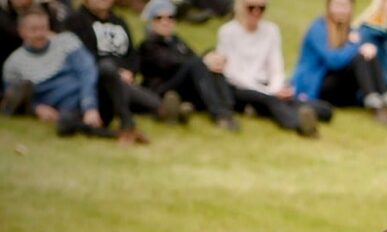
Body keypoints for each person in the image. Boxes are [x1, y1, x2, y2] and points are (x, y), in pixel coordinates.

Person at [216, 0, 330, 137]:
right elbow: (233, 74)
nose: (256, 12)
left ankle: (257, 109)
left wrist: (276, 88)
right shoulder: (227, 32)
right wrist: (269, 92)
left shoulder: (271, 31)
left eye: (261, 8)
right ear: (240, 7)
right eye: (251, 8)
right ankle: (299, 125)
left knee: (322, 109)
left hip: (267, 85)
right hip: (240, 87)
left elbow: (276, 67)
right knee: (272, 101)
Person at [1, 6, 115, 137]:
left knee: (109, 71)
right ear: (21, 31)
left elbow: (87, 71)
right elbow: (11, 101)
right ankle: (110, 133)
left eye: (43, 28)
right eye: (33, 30)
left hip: (91, 95)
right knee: (65, 125)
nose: (39, 34)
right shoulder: (13, 64)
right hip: (66, 108)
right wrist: (36, 109)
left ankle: (127, 121)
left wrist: (89, 106)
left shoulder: (66, 41)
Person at [291, 0, 387, 126]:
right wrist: (354, 45)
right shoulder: (318, 28)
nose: (341, 10)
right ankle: (376, 106)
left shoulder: (349, 29)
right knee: (360, 56)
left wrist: (366, 48)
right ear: (329, 7)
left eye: (345, 6)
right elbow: (334, 61)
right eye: (338, 5)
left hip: (338, 86)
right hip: (315, 86)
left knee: (367, 54)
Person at [66, 0, 159, 143]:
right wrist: (116, 71)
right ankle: (127, 124)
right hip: (96, 83)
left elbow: (132, 54)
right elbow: (82, 58)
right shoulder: (75, 21)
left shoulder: (119, 21)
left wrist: (130, 72)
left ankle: (166, 111)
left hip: (122, 81)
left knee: (154, 103)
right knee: (107, 68)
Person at [138, 0, 240, 130]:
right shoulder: (148, 45)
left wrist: (210, 56)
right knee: (199, 63)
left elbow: (194, 57)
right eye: (159, 18)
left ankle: (229, 107)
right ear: (151, 22)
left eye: (170, 17)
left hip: (182, 85)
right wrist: (203, 60)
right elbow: (170, 63)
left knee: (212, 65)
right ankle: (220, 115)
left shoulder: (176, 41)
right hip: (160, 90)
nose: (165, 21)